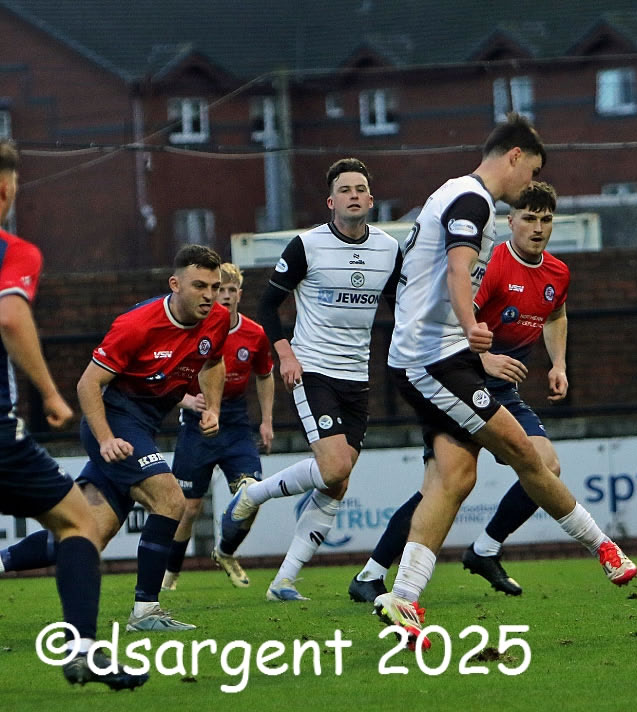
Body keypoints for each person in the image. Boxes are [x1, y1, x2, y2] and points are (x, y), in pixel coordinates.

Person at [375, 114, 637, 645]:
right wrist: (474, 336)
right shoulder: (472, 201)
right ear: (515, 156)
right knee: (524, 452)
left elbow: (418, 274)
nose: (530, 184)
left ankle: (403, 597)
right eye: (532, 170)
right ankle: (602, 545)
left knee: (454, 479)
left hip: (426, 356)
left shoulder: (453, 193)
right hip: (435, 360)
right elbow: (457, 271)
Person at [350, 181, 570, 602]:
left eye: (545, 219)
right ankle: (372, 572)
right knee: (444, 485)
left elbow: (556, 313)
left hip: (502, 392)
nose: (538, 228)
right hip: (461, 382)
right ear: (510, 221)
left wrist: (558, 364)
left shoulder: (557, 272)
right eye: (528, 218)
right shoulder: (492, 264)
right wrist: (482, 359)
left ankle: (485, 549)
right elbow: (459, 314)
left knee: (545, 465)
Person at [0, 244, 229, 632]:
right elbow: (88, 383)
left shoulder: (218, 319)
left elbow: (214, 362)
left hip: (142, 427)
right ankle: (146, 611)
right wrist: (106, 440)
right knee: (171, 499)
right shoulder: (137, 324)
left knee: (87, 532)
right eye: (199, 286)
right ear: (175, 284)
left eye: (214, 286)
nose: (209, 295)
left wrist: (214, 409)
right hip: (113, 421)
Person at [218, 158, 400, 601]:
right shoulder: (306, 245)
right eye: (345, 189)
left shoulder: (389, 249)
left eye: (360, 189)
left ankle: (284, 581)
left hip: (356, 375)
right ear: (331, 201)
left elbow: (403, 305)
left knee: (337, 480)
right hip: (312, 369)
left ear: (371, 200)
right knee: (334, 467)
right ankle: (253, 495)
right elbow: (267, 306)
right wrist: (285, 354)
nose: (354, 195)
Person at [0, 140, 146, 688]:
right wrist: (51, 394)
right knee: (78, 521)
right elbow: (11, 318)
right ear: (5, 190)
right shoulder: (13, 251)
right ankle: (84, 650)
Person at [162, 262, 274, 591]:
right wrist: (186, 401)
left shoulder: (255, 333)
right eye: (217, 289)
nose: (223, 296)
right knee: (188, 507)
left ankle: (225, 552)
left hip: (235, 422)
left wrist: (267, 421)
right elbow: (166, 373)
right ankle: (170, 573)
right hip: (197, 423)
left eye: (229, 290)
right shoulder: (194, 328)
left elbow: (265, 375)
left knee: (253, 493)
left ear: (239, 294)